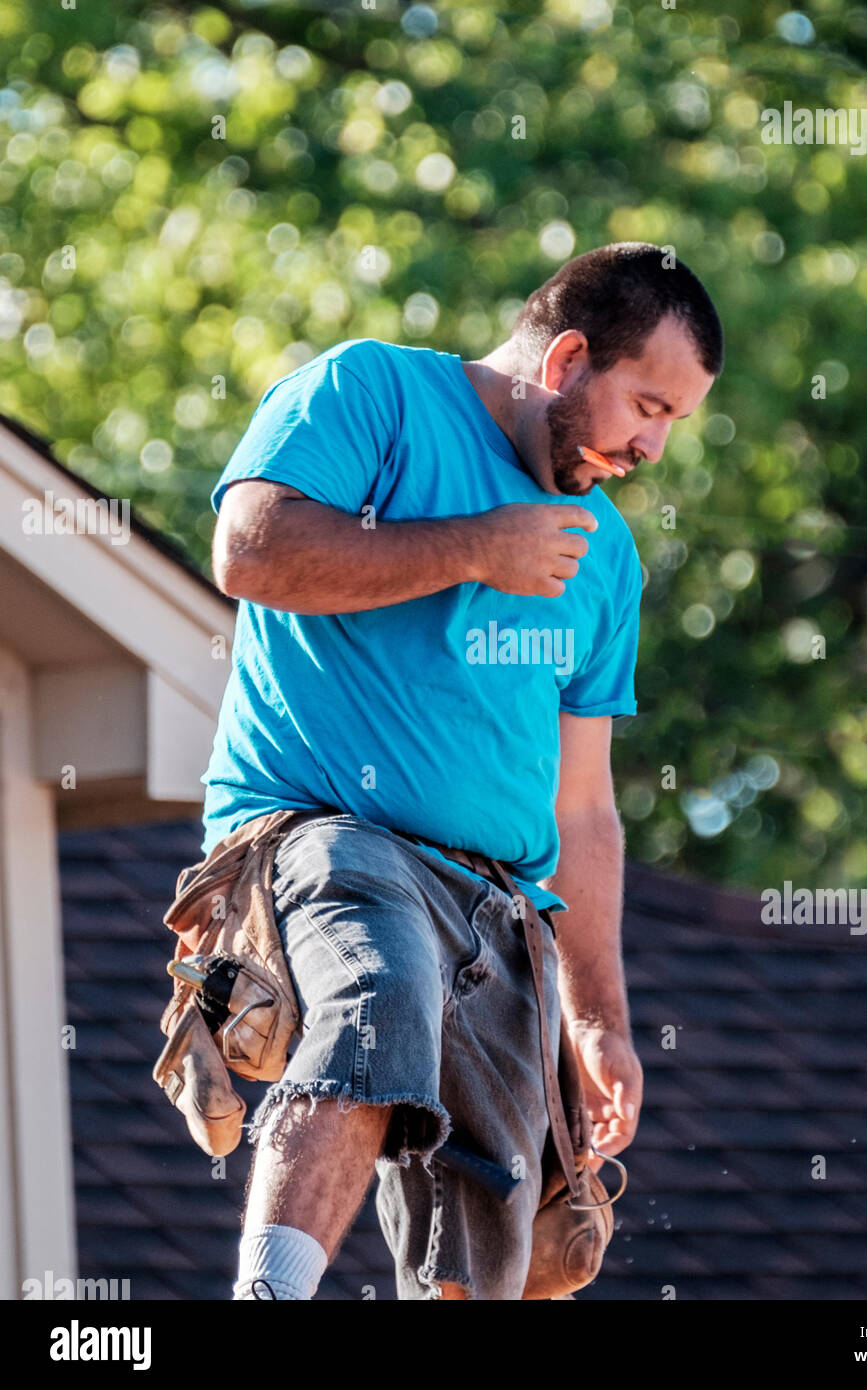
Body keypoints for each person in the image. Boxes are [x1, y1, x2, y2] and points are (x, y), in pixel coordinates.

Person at [203, 241, 723, 1300]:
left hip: (499, 908)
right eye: (646, 405)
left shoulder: (606, 555)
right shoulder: (372, 391)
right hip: (326, 837)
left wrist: (599, 1022)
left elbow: (581, 809)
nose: (653, 446)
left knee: (505, 1237)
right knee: (378, 992)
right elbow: (249, 551)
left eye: (674, 420)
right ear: (569, 357)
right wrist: (475, 546)